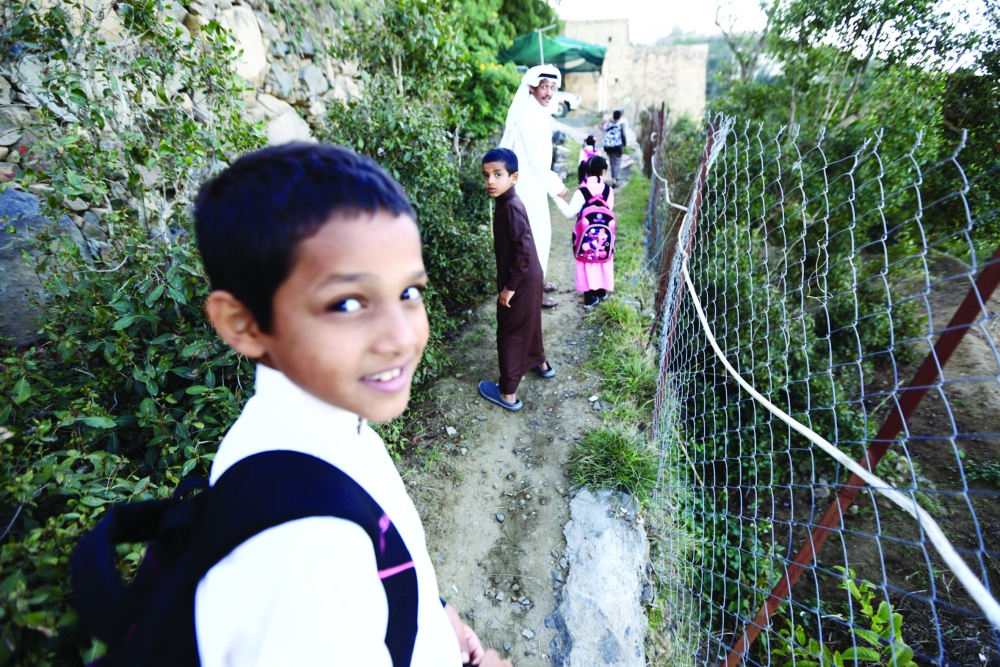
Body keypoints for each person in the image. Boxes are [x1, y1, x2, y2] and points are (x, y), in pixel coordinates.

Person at [192, 143, 510, 667]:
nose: (401, 336)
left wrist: (435, 616)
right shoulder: (304, 552)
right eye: (347, 303)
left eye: (409, 292)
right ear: (243, 324)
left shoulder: (325, 427)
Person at [478, 147, 554, 411]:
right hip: (529, 276)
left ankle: (508, 393)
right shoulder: (507, 203)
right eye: (486, 175)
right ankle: (540, 363)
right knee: (529, 322)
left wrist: (509, 288)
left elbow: (522, 251)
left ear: (514, 177)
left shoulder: (510, 206)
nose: (490, 181)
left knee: (509, 332)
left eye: (498, 174)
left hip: (520, 279)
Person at [500, 64, 569, 308]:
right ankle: (532, 292)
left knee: (537, 236)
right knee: (534, 238)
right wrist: (556, 186)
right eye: (544, 87)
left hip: (532, 183)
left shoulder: (537, 110)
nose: (549, 92)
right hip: (527, 185)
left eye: (552, 87)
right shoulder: (529, 113)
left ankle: (536, 282)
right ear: (531, 88)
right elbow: (537, 159)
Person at [556, 155, 616, 308]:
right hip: (604, 237)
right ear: (603, 172)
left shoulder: (581, 192)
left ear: (587, 172)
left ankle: (589, 298)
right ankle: (601, 291)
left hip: (586, 238)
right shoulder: (609, 191)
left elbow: (570, 213)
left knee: (586, 260)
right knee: (602, 258)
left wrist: (558, 199)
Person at [603, 110, 627, 187]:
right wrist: (624, 143)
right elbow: (623, 135)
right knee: (617, 162)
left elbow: (604, 129)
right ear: (620, 116)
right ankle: (614, 179)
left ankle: (614, 177)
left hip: (609, 147)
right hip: (618, 146)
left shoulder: (609, 124)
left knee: (612, 162)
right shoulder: (621, 124)